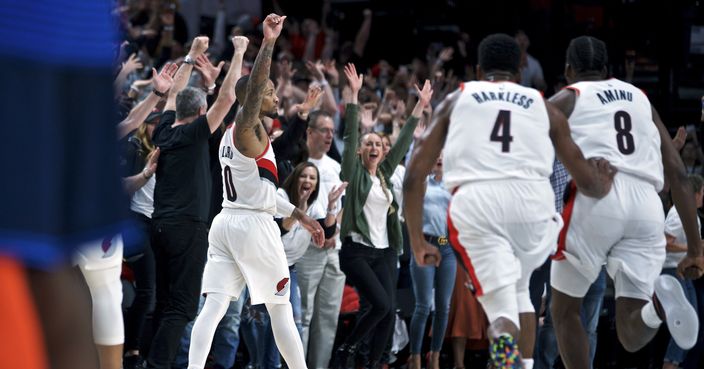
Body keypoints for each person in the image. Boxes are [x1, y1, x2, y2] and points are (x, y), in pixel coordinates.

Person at [403, 34, 615, 369]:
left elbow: (414, 177)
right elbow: (585, 178)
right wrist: (603, 182)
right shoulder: (543, 103)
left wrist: (416, 241)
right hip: (534, 208)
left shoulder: (459, 99)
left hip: (479, 204)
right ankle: (524, 364)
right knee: (521, 295)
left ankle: (502, 338)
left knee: (501, 309)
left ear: (477, 69)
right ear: (520, 70)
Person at [547, 35, 704, 369]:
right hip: (646, 204)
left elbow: (525, 131)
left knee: (564, 312)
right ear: (606, 70)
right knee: (632, 332)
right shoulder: (640, 99)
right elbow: (677, 173)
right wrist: (696, 250)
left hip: (598, 194)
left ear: (569, 71)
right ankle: (657, 308)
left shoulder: (570, 96)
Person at [186, 14, 324, 369]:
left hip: (227, 221)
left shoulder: (239, 135)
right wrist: (269, 41)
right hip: (252, 228)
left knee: (214, 306)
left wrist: (300, 215)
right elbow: (255, 83)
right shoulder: (248, 128)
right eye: (271, 91)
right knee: (281, 309)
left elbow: (265, 191)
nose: (277, 96)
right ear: (253, 96)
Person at [145, 33, 238, 368]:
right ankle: (156, 365)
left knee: (165, 302)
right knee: (181, 308)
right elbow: (227, 99)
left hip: (160, 226)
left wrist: (192, 54)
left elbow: (171, 94)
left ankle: (146, 359)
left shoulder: (164, 130)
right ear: (201, 111)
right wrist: (239, 51)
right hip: (187, 228)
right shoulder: (197, 132)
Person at [332, 63, 432, 369]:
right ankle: (347, 348)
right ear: (362, 152)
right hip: (357, 251)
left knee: (388, 312)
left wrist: (420, 107)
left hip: (386, 250)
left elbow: (401, 145)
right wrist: (353, 97)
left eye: (377, 143)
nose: (374, 146)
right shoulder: (353, 172)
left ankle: (374, 363)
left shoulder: (386, 175)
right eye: (369, 144)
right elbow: (350, 139)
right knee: (383, 304)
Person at [297, 109, 348, 369]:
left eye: (332, 131)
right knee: (303, 316)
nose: (330, 136)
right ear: (309, 132)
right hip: (306, 248)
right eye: (324, 130)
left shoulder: (335, 167)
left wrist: (334, 231)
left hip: (333, 249)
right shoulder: (297, 163)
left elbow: (342, 205)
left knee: (328, 318)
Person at [407, 155, 457, 369]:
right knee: (423, 305)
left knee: (443, 307)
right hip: (424, 244)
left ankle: (435, 356)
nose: (438, 158)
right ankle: (415, 357)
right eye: (435, 154)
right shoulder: (421, 182)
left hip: (447, 247)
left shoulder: (454, 185)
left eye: (443, 155)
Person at [661, 174, 704, 369]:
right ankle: (670, 364)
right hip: (670, 270)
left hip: (683, 271)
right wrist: (692, 248)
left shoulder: (691, 214)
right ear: (695, 193)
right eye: (702, 192)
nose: (703, 197)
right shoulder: (679, 214)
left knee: (691, 324)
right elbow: (665, 243)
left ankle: (674, 363)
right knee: (685, 324)